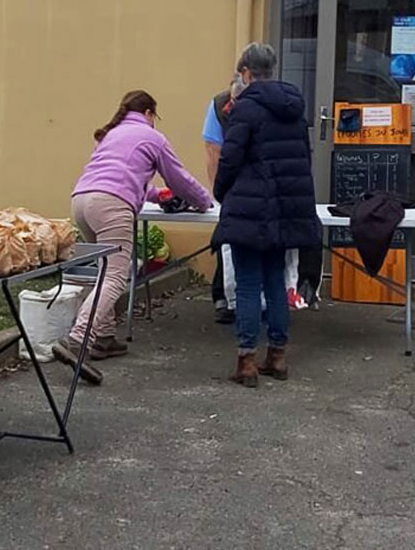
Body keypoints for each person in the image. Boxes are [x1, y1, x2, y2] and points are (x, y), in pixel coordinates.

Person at [54, 91, 212, 383]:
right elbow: (179, 179)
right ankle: (77, 340)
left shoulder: (112, 134)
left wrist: (155, 194)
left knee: (104, 270)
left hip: (82, 201)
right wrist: (205, 202)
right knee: (115, 276)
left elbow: (120, 173)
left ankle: (104, 338)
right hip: (112, 204)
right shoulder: (152, 137)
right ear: (149, 113)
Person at [213, 44, 320, 388]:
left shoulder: (246, 108)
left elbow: (229, 158)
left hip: (250, 206)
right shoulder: (293, 107)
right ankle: (277, 355)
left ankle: (246, 360)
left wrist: (221, 192)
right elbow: (302, 158)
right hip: (285, 209)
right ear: (271, 70)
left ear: (245, 72)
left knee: (247, 283)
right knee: (275, 279)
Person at [203, 75, 246, 324]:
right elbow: (213, 151)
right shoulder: (219, 106)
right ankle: (222, 296)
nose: (231, 105)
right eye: (230, 99)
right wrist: (218, 193)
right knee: (227, 236)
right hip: (233, 183)